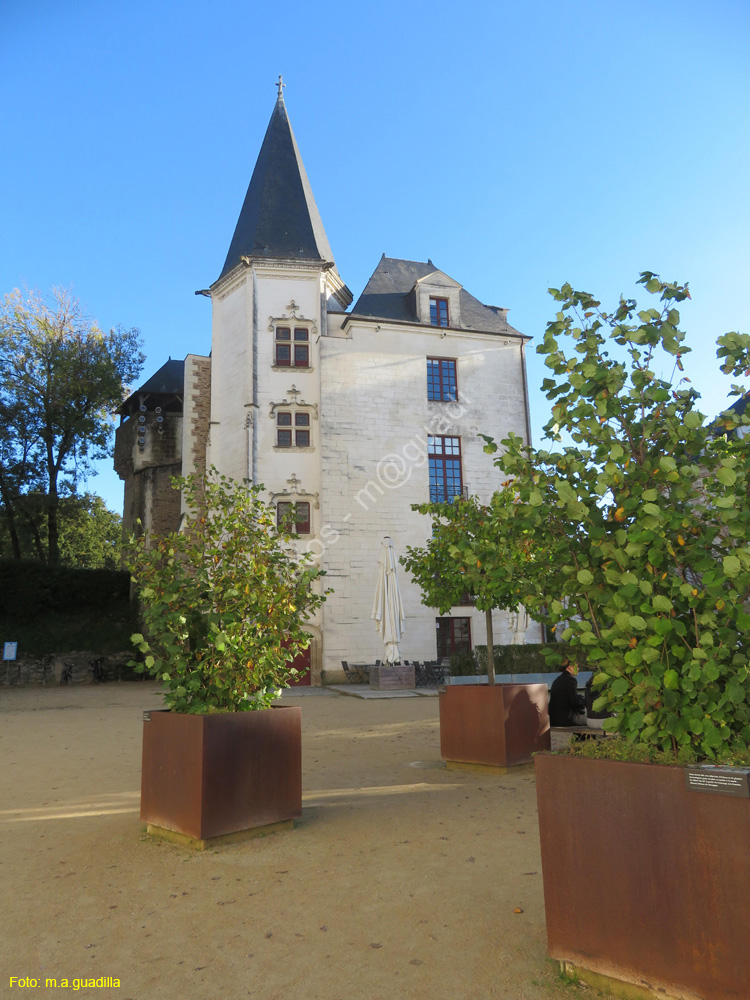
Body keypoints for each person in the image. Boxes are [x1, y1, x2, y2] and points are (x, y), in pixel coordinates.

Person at [548, 660, 586, 726]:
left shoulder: (557, 680)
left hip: (553, 719)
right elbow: (575, 702)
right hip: (565, 719)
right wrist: (584, 701)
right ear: (569, 667)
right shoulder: (571, 680)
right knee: (589, 720)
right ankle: (582, 737)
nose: (578, 669)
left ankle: (578, 737)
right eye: (576, 667)